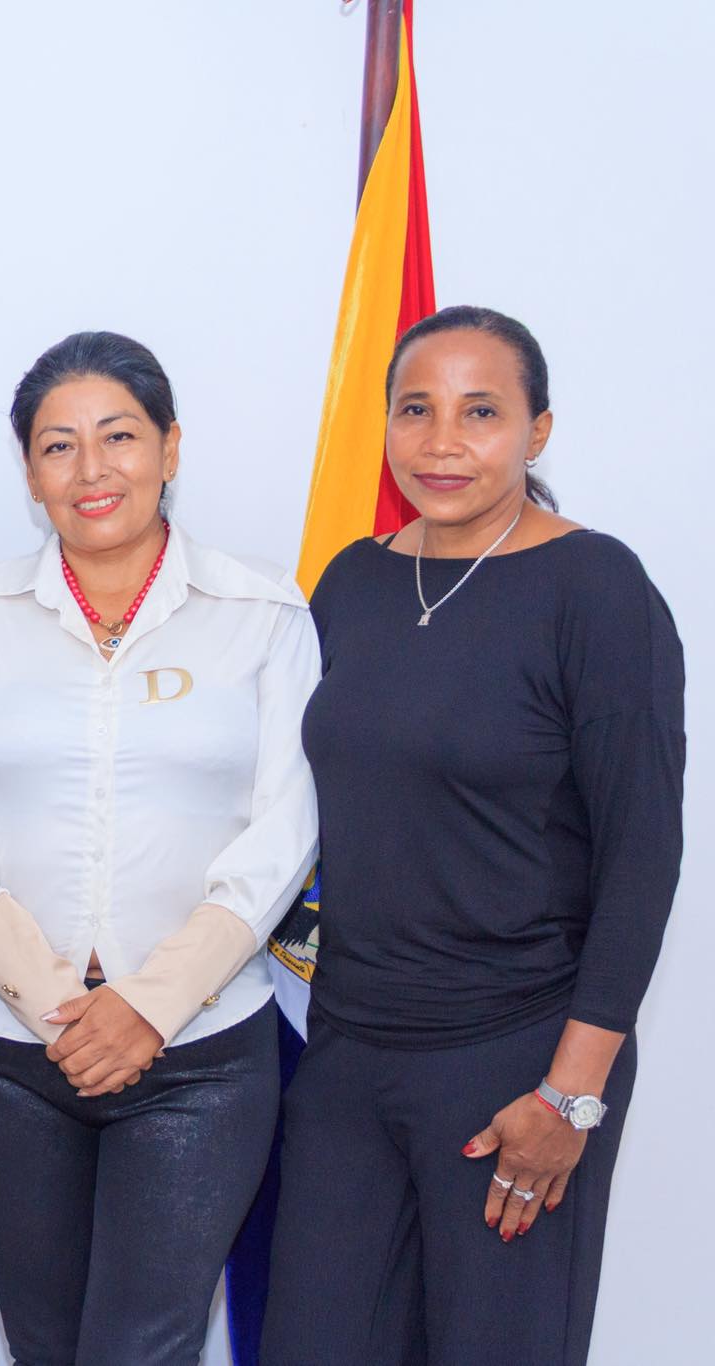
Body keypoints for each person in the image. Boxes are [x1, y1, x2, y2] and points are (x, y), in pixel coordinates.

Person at [262, 306, 686, 1365]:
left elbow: (641, 855)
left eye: (480, 412)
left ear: (537, 430)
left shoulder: (596, 588)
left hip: (516, 1057)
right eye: (415, 410)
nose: (441, 441)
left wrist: (568, 1095)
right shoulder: (351, 581)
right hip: (349, 1051)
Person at [0, 332, 321, 1365]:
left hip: (200, 1051)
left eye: (119, 436)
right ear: (30, 472)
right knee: (45, 1345)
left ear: (170, 448)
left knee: (143, 1346)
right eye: (58, 446)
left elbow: (286, 829)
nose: (91, 469)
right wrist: (57, 1002)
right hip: (3, 1049)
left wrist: (149, 1004)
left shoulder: (262, 614)